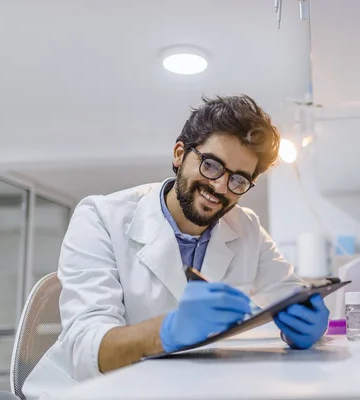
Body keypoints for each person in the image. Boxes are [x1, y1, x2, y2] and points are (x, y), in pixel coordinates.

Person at [22, 95, 330, 399]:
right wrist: (167, 331)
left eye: (238, 180)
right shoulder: (101, 217)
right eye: (211, 165)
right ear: (180, 154)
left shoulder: (246, 226)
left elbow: (289, 291)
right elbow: (84, 348)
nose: (220, 187)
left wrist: (306, 323)